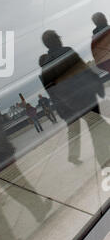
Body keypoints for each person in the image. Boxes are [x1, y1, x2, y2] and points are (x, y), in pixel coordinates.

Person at [39, 30, 108, 166]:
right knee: (98, 128)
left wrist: (63, 108)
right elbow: (84, 70)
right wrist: (98, 87)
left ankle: (103, 160)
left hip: (71, 103)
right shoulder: (67, 51)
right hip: (86, 97)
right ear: (57, 39)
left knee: (93, 128)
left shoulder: (46, 67)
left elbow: (53, 91)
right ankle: (104, 161)